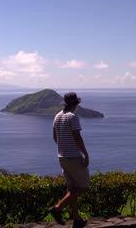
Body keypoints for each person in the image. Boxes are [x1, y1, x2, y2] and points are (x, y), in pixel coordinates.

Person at [48, 92, 90, 228]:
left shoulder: (57, 116)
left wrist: (63, 146)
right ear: (75, 104)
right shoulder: (72, 117)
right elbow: (77, 137)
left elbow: (55, 137)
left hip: (62, 156)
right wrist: (85, 154)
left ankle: (77, 219)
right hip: (73, 157)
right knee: (83, 186)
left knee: (72, 189)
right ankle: (57, 208)